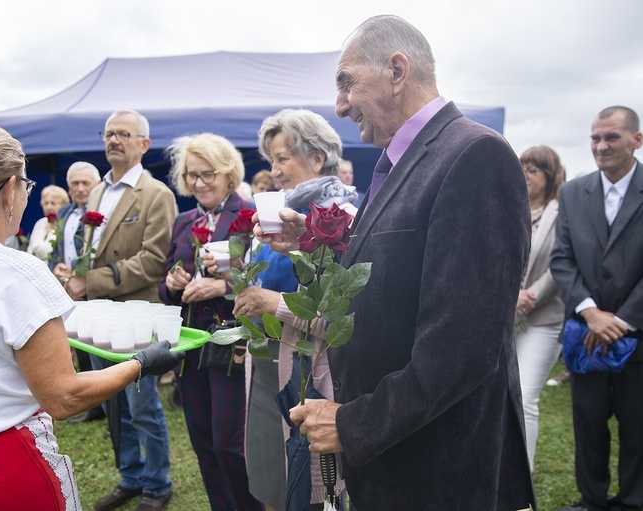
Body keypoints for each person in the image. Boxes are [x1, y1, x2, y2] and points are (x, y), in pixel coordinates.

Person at [255, 16, 535, 510]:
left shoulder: (474, 154)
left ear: (397, 70)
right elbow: (399, 270)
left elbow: (462, 349)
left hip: (437, 465)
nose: (339, 105)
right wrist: (314, 247)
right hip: (398, 451)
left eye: (346, 82)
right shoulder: (401, 161)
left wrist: (353, 423)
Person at [0, 122, 184, 510]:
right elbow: (63, 397)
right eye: (27, 187)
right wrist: (141, 363)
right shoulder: (16, 270)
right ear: (9, 190)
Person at [232, 108, 356, 510]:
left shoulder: (346, 220)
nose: (275, 170)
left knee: (312, 486)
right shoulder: (275, 213)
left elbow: (343, 318)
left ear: (317, 158)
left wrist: (274, 304)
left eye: (282, 158)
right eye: (271, 160)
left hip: (315, 374)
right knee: (272, 477)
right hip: (269, 364)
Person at [63, 110, 179, 511]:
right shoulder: (96, 192)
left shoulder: (156, 194)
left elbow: (153, 261)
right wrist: (76, 267)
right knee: (114, 405)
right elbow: (92, 250)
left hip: (135, 315)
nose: (114, 140)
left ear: (143, 144)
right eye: (109, 133)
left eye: (124, 134)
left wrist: (89, 281)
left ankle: (158, 483)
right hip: (98, 314)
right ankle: (131, 477)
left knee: (143, 405)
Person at [159, 132, 262, 511]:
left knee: (230, 445)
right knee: (202, 442)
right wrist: (172, 283)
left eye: (208, 175)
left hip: (233, 343)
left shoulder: (249, 215)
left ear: (229, 174)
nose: (199, 184)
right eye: (192, 176)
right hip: (190, 347)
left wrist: (220, 285)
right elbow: (166, 283)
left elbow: (266, 277)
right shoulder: (184, 221)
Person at [550, 106, 643, 511]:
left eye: (611, 137)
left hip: (636, 333)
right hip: (585, 334)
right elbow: (562, 258)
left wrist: (620, 320)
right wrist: (590, 312)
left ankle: (633, 500)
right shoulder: (573, 192)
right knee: (587, 421)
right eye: (594, 138)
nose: (600, 146)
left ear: (636, 140)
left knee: (637, 424)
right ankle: (591, 499)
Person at [513, 145, 565, 473]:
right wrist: (510, 295)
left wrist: (527, 296)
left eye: (534, 170)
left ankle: (523, 474)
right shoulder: (510, 207)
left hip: (543, 317)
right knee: (504, 394)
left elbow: (561, 264)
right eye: (523, 167)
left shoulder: (561, 213)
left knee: (525, 394)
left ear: (550, 176)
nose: (527, 175)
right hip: (508, 316)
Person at [51, 161, 105, 424]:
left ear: (96, 185)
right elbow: (57, 248)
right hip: (65, 286)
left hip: (92, 285)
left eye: (86, 183)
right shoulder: (64, 213)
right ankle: (93, 405)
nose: (81, 189)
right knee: (76, 342)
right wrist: (56, 267)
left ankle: (107, 406)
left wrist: (79, 272)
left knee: (96, 345)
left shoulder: (102, 214)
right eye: (76, 184)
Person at [26, 184, 69, 262]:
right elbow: (29, 251)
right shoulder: (40, 223)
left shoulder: (66, 225)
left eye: (53, 203)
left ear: (64, 205)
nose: (49, 207)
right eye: (46, 203)